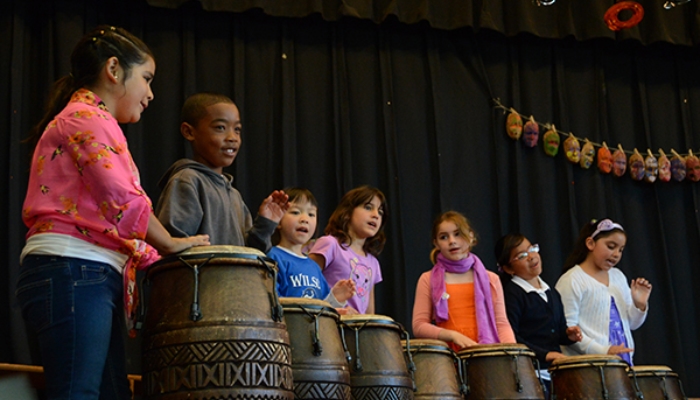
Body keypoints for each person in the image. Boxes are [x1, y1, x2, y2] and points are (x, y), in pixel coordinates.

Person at [16, 26, 210, 400]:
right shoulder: (85, 118)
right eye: (147, 79)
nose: (151, 93)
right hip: (71, 269)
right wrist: (170, 244)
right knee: (78, 393)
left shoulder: (93, 120)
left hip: (83, 272)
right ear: (114, 69)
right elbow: (121, 198)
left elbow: (114, 219)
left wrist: (163, 259)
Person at [155, 92, 288, 252]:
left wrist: (265, 224)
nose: (232, 137)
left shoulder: (234, 195)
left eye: (237, 129)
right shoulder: (187, 180)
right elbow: (171, 246)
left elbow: (250, 255)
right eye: (220, 128)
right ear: (189, 132)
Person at [412, 211, 516, 351]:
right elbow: (419, 326)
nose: (452, 241)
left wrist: (512, 355)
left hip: (487, 356)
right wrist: (453, 336)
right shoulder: (427, 279)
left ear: (471, 236)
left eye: (458, 234)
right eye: (444, 237)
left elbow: (501, 324)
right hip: (448, 360)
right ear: (436, 243)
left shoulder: (491, 278)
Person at [495, 233, 582, 399]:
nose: (532, 257)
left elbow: (557, 331)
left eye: (532, 249)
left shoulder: (551, 292)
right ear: (508, 269)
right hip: (529, 373)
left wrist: (568, 335)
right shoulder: (512, 294)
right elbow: (510, 337)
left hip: (554, 373)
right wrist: (545, 355)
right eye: (522, 255)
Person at [555, 219, 652, 365]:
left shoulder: (618, 276)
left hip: (621, 363)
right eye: (611, 246)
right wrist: (603, 351)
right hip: (589, 367)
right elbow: (568, 330)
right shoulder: (572, 280)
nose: (616, 254)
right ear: (590, 243)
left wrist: (639, 306)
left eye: (620, 250)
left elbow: (631, 324)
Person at [267, 187, 356, 310]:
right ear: (278, 221)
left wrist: (334, 298)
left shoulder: (313, 266)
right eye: (295, 212)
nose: (305, 219)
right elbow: (270, 303)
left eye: (311, 214)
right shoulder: (273, 256)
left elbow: (321, 309)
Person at [308, 186, 387, 314]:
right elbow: (304, 285)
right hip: (327, 326)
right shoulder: (330, 244)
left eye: (380, 212)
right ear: (348, 212)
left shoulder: (373, 263)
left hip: (355, 331)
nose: (376, 215)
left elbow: (369, 313)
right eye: (368, 207)